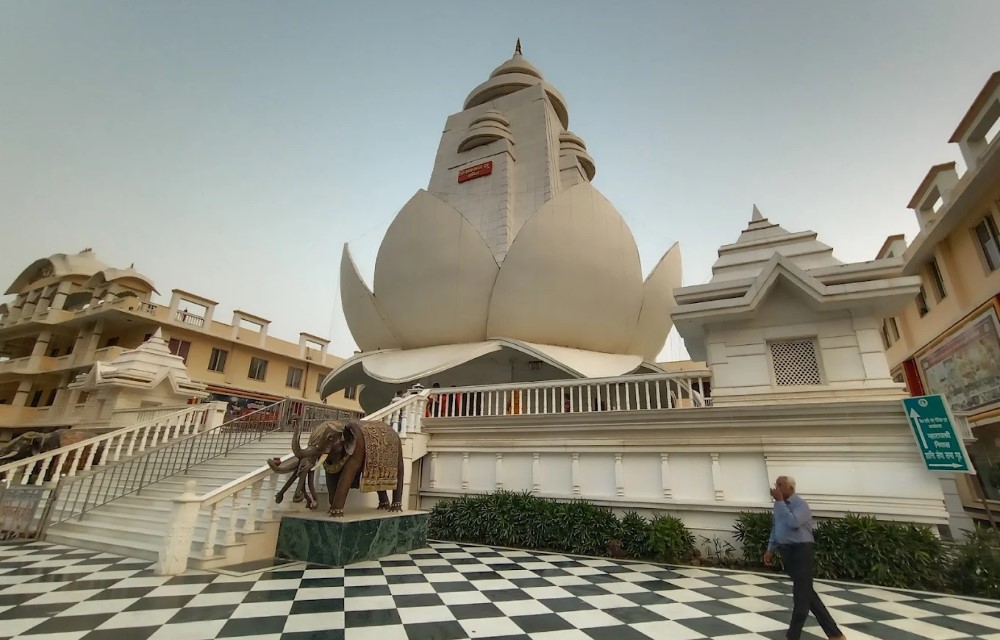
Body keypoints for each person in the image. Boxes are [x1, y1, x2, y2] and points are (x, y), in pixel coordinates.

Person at [765, 476, 846, 640]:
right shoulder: (779, 505)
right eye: (776, 485)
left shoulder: (800, 505)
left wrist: (780, 502)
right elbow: (776, 527)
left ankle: (793, 635)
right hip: (786, 551)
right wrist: (770, 549)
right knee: (807, 592)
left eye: (780, 485)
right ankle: (835, 634)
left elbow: (793, 522)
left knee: (801, 595)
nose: (777, 488)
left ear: (790, 488)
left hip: (801, 550)